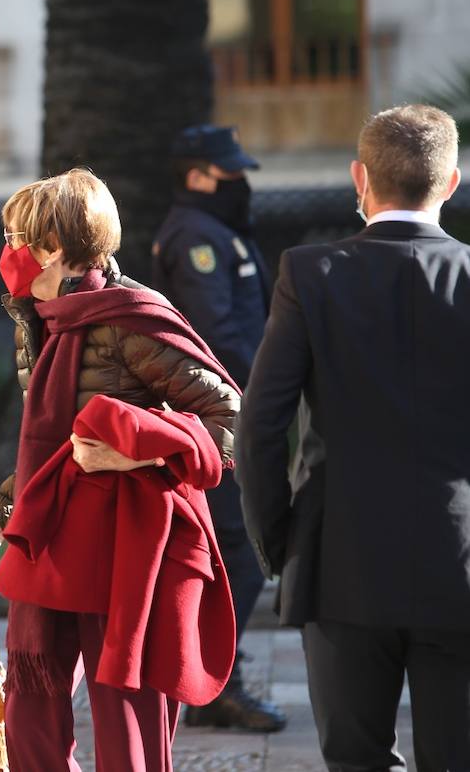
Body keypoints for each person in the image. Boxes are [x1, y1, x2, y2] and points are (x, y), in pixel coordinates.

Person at [0, 169, 242, 771]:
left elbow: (232, 418)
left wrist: (142, 450)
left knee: (125, 714)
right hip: (57, 540)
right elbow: (46, 450)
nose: (7, 253)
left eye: (16, 239)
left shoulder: (131, 318)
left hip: (125, 551)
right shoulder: (42, 318)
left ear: (53, 249)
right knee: (30, 707)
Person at [237, 104, 470, 771]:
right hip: (460, 557)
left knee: (355, 760)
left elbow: (260, 424)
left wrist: (279, 541)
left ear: (358, 179)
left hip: (339, 555)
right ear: (451, 182)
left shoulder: (310, 273)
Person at [150, 124, 286, 733]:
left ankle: (210, 671)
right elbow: (217, 333)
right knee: (241, 550)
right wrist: (268, 388)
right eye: (229, 172)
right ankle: (213, 682)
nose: (241, 182)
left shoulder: (215, 230)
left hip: (232, 412)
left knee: (240, 549)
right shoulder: (196, 236)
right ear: (198, 175)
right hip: (221, 419)